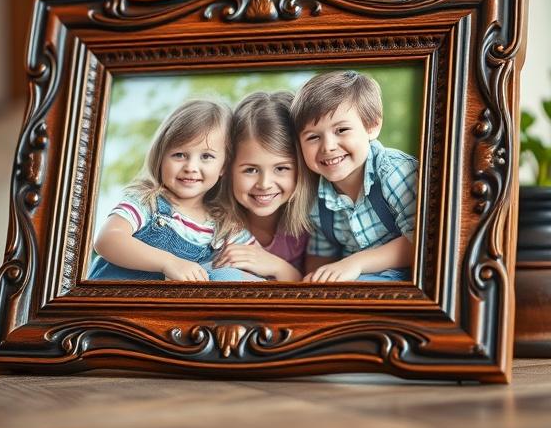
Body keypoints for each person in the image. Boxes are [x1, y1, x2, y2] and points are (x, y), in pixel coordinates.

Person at [87, 99, 263, 282]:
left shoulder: (224, 225)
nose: (191, 167)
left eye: (206, 156)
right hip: (112, 297)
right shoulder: (147, 202)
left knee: (226, 275)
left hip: (167, 301)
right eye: (179, 155)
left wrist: (278, 267)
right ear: (161, 157)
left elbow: (258, 266)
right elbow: (107, 240)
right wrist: (168, 262)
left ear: (224, 166)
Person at [290, 70, 418, 282]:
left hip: (406, 278)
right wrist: (314, 279)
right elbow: (321, 255)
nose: (328, 146)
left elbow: (422, 242)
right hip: (356, 281)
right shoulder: (316, 199)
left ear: (372, 126)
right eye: (313, 137)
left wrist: (356, 263)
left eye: (341, 130)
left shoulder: (395, 172)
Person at [213, 91, 309, 281]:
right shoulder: (213, 224)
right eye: (250, 170)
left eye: (281, 168)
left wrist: (279, 267)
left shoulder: (313, 225)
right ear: (228, 168)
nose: (264, 184)